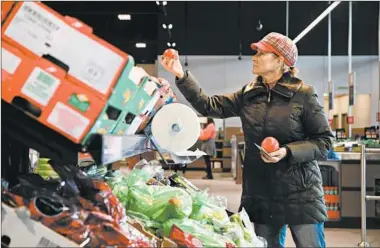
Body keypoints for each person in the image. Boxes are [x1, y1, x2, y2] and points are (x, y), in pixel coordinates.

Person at [160, 32, 334, 247]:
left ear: (280, 61)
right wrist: (180, 74)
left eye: (261, 53)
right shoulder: (248, 95)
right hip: (260, 194)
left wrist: (287, 152)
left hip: (300, 193)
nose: (255, 57)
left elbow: (324, 141)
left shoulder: (304, 94)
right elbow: (209, 105)